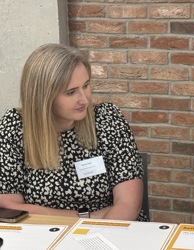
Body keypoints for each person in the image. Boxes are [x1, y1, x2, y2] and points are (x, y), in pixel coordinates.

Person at [0, 43, 147, 221]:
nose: (84, 99)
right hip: (43, 235)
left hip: (110, 232)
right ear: (43, 97)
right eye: (71, 92)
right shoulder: (15, 126)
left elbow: (128, 205)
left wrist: (95, 233)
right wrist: (89, 216)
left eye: (86, 85)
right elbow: (9, 207)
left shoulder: (107, 119)